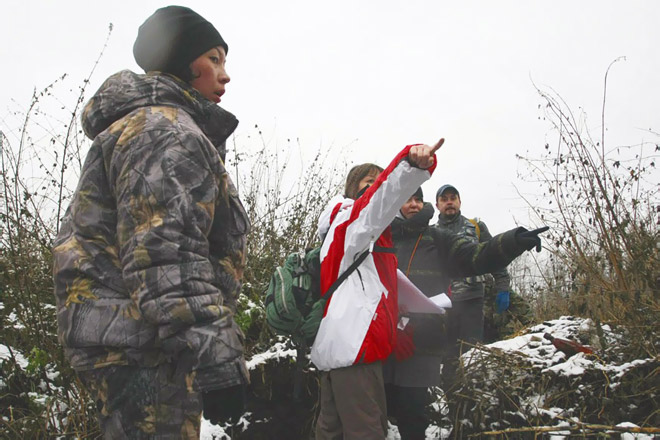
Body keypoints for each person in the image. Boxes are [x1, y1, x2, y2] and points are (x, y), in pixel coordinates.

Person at [52, 6, 249, 438]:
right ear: (183, 62)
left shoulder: (146, 125)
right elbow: (166, 256)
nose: (225, 74)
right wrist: (216, 356)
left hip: (136, 340)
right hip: (150, 347)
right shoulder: (165, 130)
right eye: (213, 59)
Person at [383, 188, 547, 439]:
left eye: (418, 199)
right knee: (379, 409)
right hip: (382, 337)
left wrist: (513, 241)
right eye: (408, 199)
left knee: (412, 412)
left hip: (422, 340)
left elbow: (474, 256)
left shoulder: (438, 237)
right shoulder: (381, 236)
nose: (414, 205)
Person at [312, 140, 443, 440]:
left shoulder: (357, 236)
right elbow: (379, 200)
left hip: (342, 350)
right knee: (367, 432)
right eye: (369, 182)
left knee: (331, 433)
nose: (375, 188)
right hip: (356, 351)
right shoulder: (351, 220)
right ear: (353, 190)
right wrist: (410, 166)